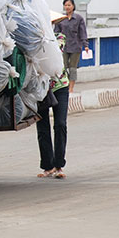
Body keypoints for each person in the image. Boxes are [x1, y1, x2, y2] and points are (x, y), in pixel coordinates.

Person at [36, 33, 69, 179]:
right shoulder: (33, 38)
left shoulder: (59, 37)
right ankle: (47, 166)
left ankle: (59, 165)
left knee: (60, 125)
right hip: (41, 87)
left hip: (60, 87)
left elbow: (55, 50)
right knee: (42, 127)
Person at [54, 0, 88, 93]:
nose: (67, 7)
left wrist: (85, 44)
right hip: (63, 47)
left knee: (73, 68)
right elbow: (56, 32)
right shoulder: (61, 18)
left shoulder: (78, 18)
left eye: (69, 5)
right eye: (65, 5)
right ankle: (65, 85)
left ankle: (71, 88)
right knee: (63, 67)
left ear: (73, 6)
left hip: (75, 46)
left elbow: (82, 32)